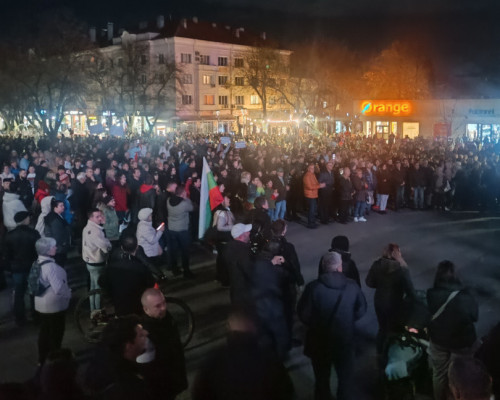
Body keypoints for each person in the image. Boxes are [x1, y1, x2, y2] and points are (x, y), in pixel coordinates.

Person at [298, 252, 367, 400]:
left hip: (320, 342)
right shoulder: (352, 286)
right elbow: (361, 309)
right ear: (339, 267)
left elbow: (304, 315)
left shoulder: (313, 288)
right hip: (344, 341)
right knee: (345, 381)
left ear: (324, 267)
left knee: (321, 380)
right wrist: (348, 320)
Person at [192, 308, 294, 400]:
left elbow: (199, 394)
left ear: (228, 327)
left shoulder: (212, 363)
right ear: (255, 328)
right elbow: (287, 394)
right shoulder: (271, 363)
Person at [427, 260, 479, 400]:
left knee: (438, 373)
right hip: (461, 343)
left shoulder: (431, 294)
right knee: (459, 374)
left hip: (438, 340)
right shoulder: (465, 296)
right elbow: (474, 317)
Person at [84, 315, 152, 399]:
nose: (146, 333)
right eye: (141, 335)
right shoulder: (127, 388)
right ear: (128, 346)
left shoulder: (106, 352)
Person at [365, 243, 416, 353]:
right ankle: (390, 353)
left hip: (379, 301)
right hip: (395, 303)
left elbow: (369, 282)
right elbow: (410, 290)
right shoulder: (402, 269)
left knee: (382, 328)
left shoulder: (377, 265)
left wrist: (380, 284)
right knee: (394, 329)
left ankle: (380, 352)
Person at [140, 288, 188, 400]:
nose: (163, 308)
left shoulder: (165, 318)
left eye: (164, 303)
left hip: (173, 380)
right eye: (157, 306)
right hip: (162, 388)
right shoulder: (145, 334)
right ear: (146, 309)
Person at [34, 237, 72, 365]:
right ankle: (55, 360)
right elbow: (59, 288)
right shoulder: (52, 267)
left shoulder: (37, 263)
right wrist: (69, 294)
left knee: (44, 332)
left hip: (40, 304)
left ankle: (42, 359)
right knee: (56, 334)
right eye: (53, 246)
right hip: (53, 306)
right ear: (47, 250)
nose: (55, 248)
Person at [103, 235, 156, 316]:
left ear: (122, 247)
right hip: (137, 306)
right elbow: (151, 283)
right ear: (137, 247)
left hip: (119, 306)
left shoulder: (111, 267)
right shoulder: (140, 267)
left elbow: (102, 281)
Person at [3, 211, 40, 325]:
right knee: (33, 291)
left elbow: (6, 255)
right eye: (28, 217)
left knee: (19, 293)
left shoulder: (9, 236)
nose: (29, 219)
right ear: (25, 220)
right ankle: (36, 315)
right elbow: (38, 250)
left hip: (17, 269)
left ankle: (19, 318)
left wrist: (10, 267)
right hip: (32, 267)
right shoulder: (33, 233)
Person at [82, 208, 112, 314]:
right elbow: (106, 247)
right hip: (97, 262)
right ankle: (97, 312)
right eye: (97, 216)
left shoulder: (87, 228)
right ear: (91, 218)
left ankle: (93, 309)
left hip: (90, 261)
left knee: (93, 287)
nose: (100, 218)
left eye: (100, 216)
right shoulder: (95, 231)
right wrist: (109, 244)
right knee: (98, 288)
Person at [167, 186, 194, 278]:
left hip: (171, 229)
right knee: (185, 251)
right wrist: (187, 199)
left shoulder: (168, 201)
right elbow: (192, 208)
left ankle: (175, 269)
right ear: (182, 194)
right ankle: (186, 271)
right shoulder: (184, 204)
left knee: (174, 250)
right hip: (182, 230)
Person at [224, 223, 254, 306]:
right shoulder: (243, 252)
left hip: (235, 290)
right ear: (241, 236)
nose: (249, 233)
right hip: (245, 292)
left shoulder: (229, 248)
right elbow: (250, 271)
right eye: (247, 232)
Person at [44, 199, 71, 267]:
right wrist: (61, 247)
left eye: (63, 205)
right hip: (59, 249)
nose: (63, 207)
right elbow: (57, 235)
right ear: (55, 207)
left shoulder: (55, 216)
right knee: (60, 265)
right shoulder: (55, 220)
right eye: (61, 206)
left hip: (57, 248)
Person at [303, 163, 326, 229]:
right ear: (308, 169)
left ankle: (312, 222)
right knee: (311, 210)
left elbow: (315, 183)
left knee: (313, 210)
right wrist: (319, 186)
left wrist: (319, 184)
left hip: (313, 194)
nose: (312, 169)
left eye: (313, 168)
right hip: (310, 195)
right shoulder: (307, 176)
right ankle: (310, 224)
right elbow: (310, 187)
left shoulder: (312, 174)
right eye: (311, 168)